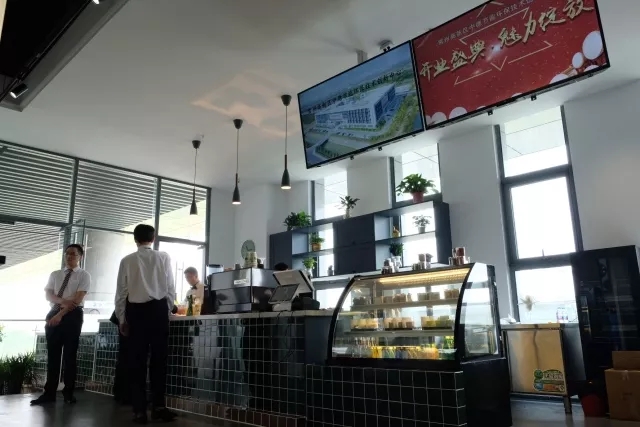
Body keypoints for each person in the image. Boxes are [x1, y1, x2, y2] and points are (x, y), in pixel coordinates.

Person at [115, 224, 177, 424]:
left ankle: (139, 411)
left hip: (136, 313)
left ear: (135, 239)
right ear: (153, 238)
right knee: (160, 361)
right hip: (158, 311)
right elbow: (170, 288)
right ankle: (159, 407)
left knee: (137, 362)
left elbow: (121, 293)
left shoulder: (127, 260)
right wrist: (166, 311)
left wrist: (122, 319)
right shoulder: (164, 257)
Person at [31, 244, 91, 405]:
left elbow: (77, 300)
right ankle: (49, 393)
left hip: (73, 315)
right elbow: (48, 295)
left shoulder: (84, 275)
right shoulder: (55, 274)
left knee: (70, 356)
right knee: (53, 356)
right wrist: (62, 302)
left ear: (80, 257)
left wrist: (60, 314)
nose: (69, 256)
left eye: (73, 254)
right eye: (67, 254)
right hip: (54, 312)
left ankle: (68, 393)